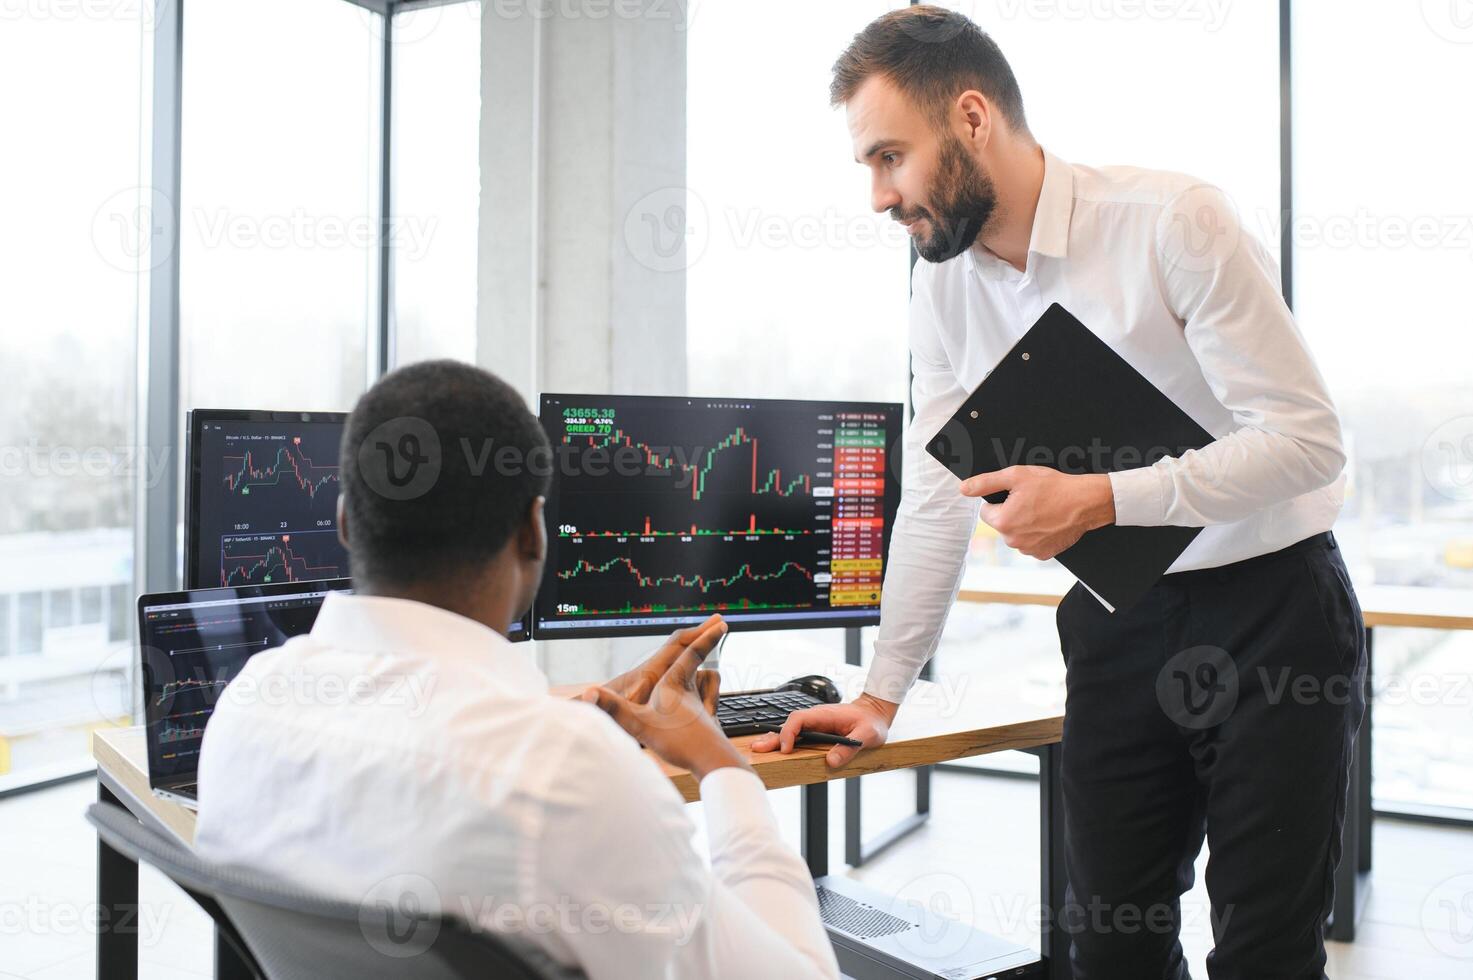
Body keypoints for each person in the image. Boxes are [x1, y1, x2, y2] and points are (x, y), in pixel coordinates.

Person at [754, 8, 1364, 979]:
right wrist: (879, 692)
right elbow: (936, 490)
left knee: (1266, 951)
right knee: (1108, 941)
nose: (877, 196)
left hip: (1272, 611)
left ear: (970, 117)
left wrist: (1100, 500)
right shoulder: (940, 283)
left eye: (888, 158)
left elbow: (1309, 443)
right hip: (1118, 617)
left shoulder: (1175, 221)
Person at [194, 360, 839, 980]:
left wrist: (566, 715)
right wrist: (724, 766)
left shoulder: (245, 708)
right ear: (535, 533)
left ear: (343, 524)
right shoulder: (567, 778)